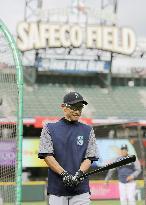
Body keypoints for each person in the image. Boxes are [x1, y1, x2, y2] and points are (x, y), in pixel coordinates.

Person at [38, 92, 99, 205]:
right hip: (57, 190)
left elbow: (90, 157)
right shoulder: (49, 128)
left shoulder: (88, 130)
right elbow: (47, 155)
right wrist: (64, 174)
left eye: (80, 107)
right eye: (74, 107)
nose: (77, 111)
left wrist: (79, 173)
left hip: (81, 190)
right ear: (64, 107)